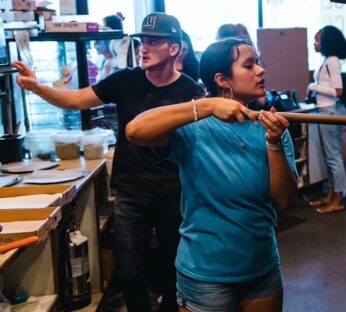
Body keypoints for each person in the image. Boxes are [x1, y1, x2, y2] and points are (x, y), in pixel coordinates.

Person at [13, 12, 205, 312]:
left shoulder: (191, 91)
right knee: (128, 272)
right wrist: (37, 87)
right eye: (142, 41)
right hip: (131, 192)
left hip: (176, 192)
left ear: (174, 49)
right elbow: (76, 100)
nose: (144, 47)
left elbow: (200, 144)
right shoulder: (125, 80)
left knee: (175, 269)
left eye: (154, 42)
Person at [126, 38, 298, 312]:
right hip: (205, 275)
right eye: (249, 65)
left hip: (261, 267)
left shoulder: (270, 128)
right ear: (221, 79)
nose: (261, 71)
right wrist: (205, 106)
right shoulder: (194, 127)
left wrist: (274, 143)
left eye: (259, 63)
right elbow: (135, 131)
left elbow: (285, 200)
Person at [307, 25, 346, 214]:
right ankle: (331, 194)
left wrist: (313, 86)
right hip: (326, 110)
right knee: (330, 156)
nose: (314, 43)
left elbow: (338, 91)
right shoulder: (327, 60)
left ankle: (338, 199)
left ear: (326, 42)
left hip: (330, 111)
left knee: (333, 157)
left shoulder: (332, 61)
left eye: (317, 40)